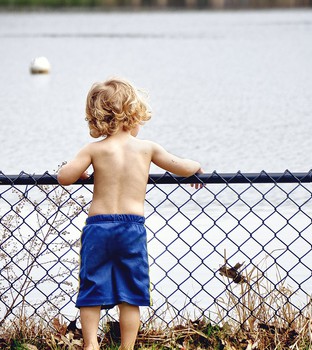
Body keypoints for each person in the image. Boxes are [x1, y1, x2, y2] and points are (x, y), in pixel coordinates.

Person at [58, 77, 203, 350]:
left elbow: (64, 177)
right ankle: (126, 347)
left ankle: (91, 344)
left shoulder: (95, 149)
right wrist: (196, 165)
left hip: (98, 226)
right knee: (131, 293)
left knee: (92, 287)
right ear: (132, 114)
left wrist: (78, 170)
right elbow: (182, 167)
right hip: (130, 228)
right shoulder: (147, 148)